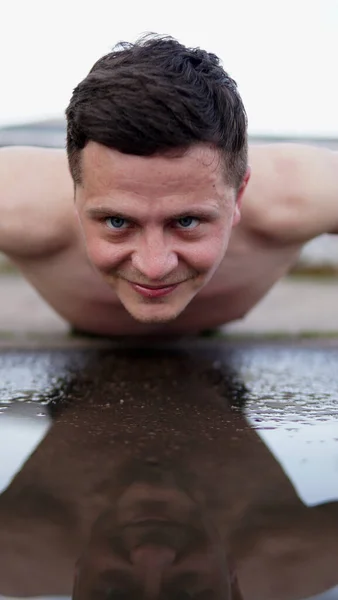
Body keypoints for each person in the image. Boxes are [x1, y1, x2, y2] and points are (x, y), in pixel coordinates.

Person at [0, 34, 337, 337]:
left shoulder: (301, 193)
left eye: (186, 221)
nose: (154, 266)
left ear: (239, 195)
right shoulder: (16, 201)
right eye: (117, 222)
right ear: (75, 190)